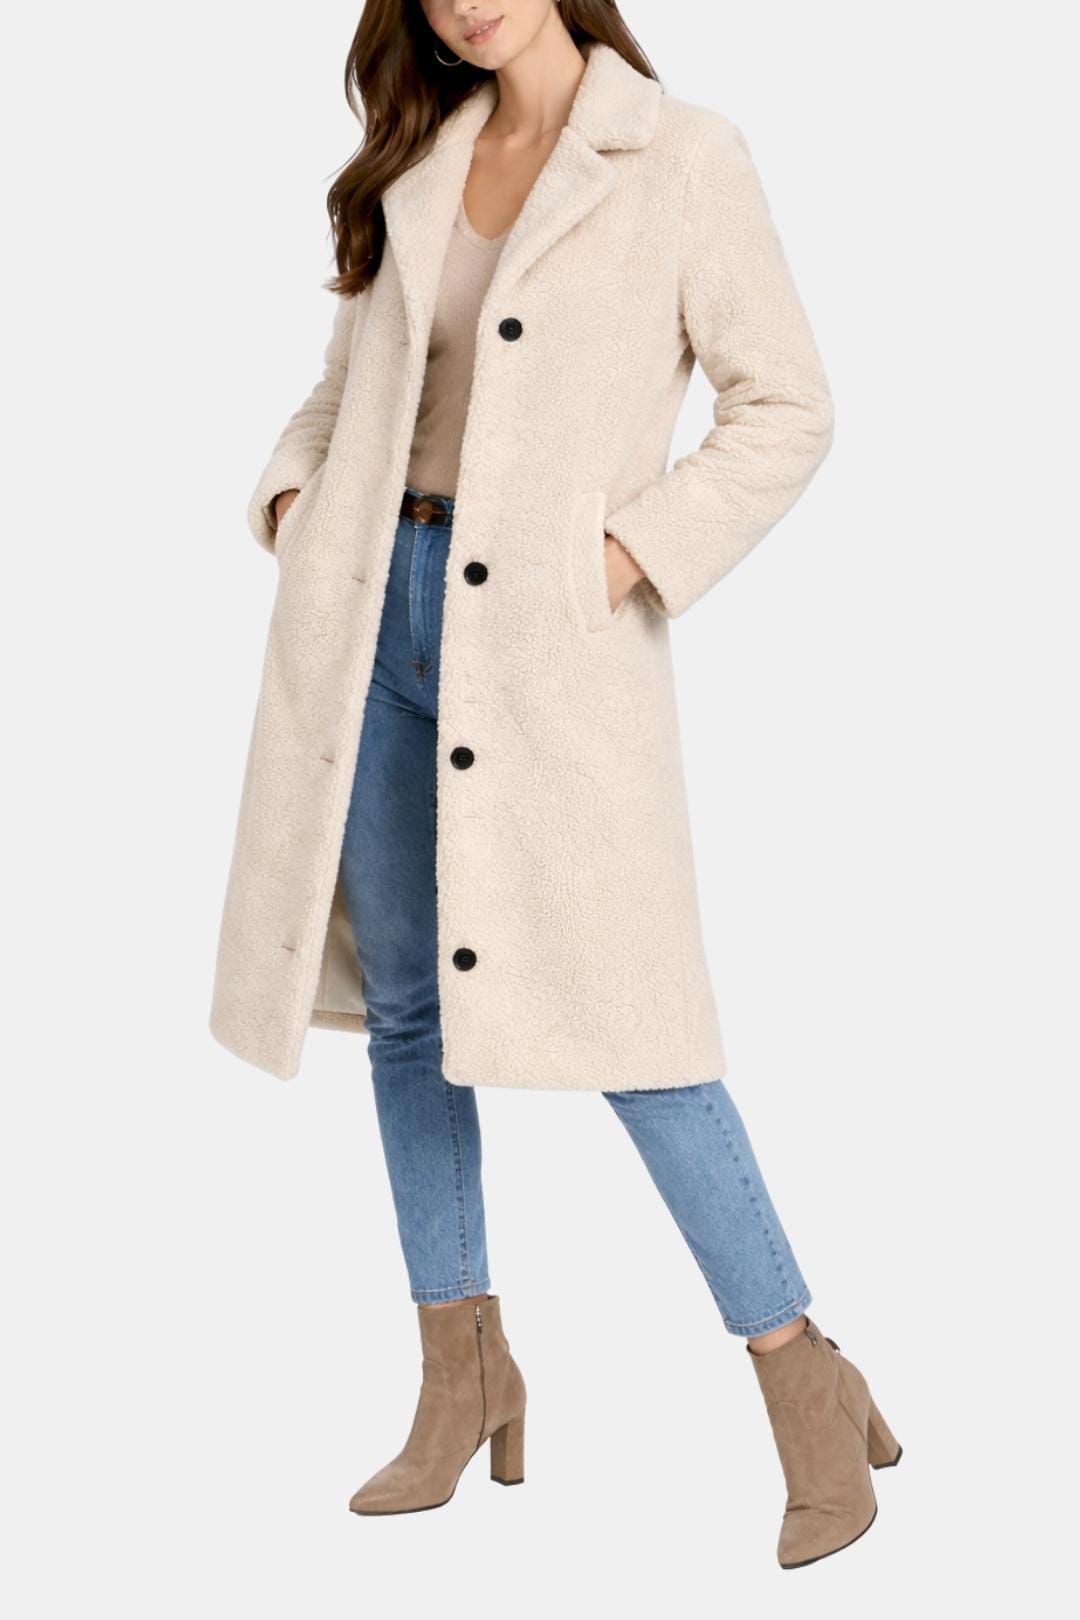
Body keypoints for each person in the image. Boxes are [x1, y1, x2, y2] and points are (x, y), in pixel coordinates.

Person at [210, 1, 902, 1568]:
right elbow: (346, 390)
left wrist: (623, 558)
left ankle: (804, 1378)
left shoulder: (682, 155)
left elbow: (788, 404)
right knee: (409, 1014)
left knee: (634, 1026)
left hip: (544, 646)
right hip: (369, 622)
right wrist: (298, 506)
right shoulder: (413, 159)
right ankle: (462, 1376)